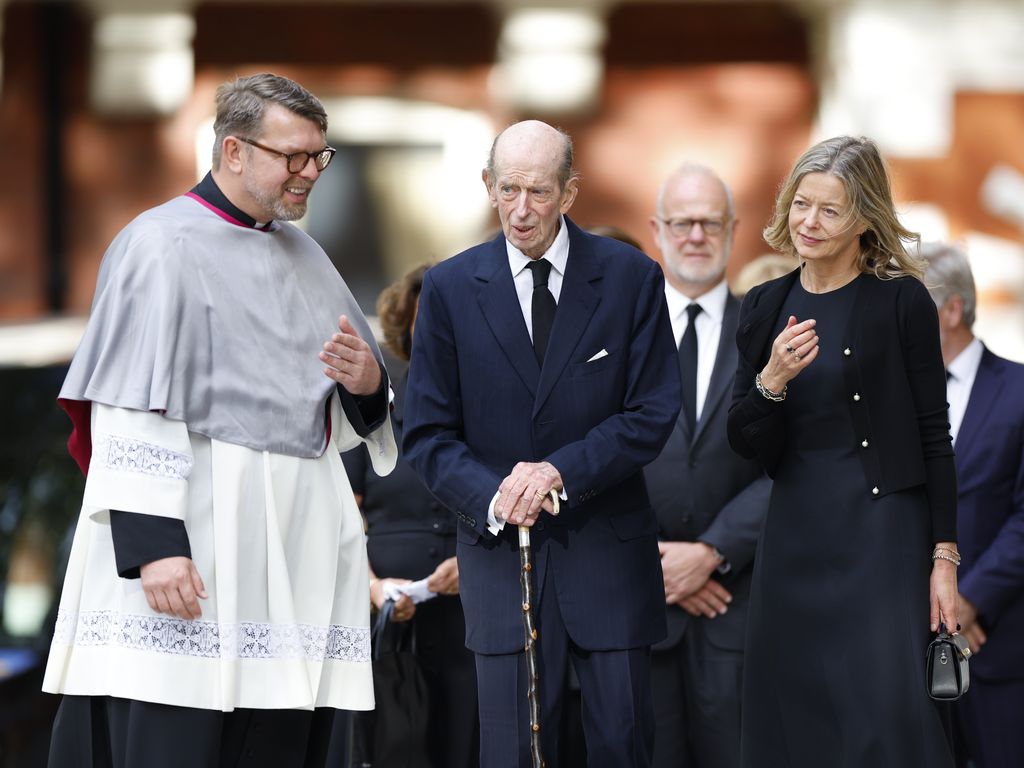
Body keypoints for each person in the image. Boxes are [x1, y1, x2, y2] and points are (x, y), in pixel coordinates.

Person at [42, 73, 396, 768]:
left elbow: (352, 412)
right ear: (233, 151)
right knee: (176, 731)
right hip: (197, 540)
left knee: (274, 737)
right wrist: (154, 545)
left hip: (289, 556)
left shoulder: (307, 256)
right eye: (291, 157)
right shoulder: (160, 245)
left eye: (319, 157)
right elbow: (126, 401)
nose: (309, 174)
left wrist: (369, 383)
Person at [402, 120, 681, 767]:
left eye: (538, 191)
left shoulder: (630, 277)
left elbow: (651, 411)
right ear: (487, 187)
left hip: (608, 557)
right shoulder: (447, 289)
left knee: (623, 745)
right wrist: (497, 497)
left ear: (570, 192)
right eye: (508, 190)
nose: (521, 209)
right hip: (502, 559)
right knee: (512, 753)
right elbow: (427, 433)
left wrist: (557, 471)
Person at [726, 135, 959, 767]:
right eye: (802, 204)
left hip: (884, 538)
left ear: (864, 217)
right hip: (796, 537)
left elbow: (935, 435)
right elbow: (744, 442)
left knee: (883, 715)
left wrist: (943, 558)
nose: (809, 222)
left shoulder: (902, 302)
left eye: (830, 210)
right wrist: (770, 382)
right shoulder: (764, 306)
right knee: (794, 715)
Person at [644, 164, 770, 768]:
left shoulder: (769, 331)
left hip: (739, 609)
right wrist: (661, 561)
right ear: (657, 230)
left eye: (709, 222)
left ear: (733, 229)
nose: (695, 234)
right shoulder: (621, 331)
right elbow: (592, 452)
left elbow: (793, 464)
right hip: (640, 613)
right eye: (682, 222)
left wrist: (711, 552)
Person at [342, 264, 479, 768]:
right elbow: (341, 519)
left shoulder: (491, 409)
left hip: (473, 616)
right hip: (390, 623)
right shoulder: (370, 409)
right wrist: (374, 588)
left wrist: (482, 565)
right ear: (408, 324)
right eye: (430, 317)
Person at [922, 242, 1024, 768]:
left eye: (913, 308)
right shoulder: (897, 401)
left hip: (997, 646)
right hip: (908, 645)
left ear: (953, 310)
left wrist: (971, 601)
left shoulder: (1019, 391)